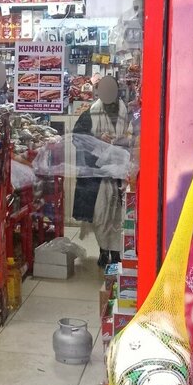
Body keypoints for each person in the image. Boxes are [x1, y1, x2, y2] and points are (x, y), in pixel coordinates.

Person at [72, 74, 130, 267]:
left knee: (119, 217)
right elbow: (77, 139)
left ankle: (117, 253)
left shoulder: (126, 112)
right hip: (99, 177)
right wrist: (97, 141)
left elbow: (135, 138)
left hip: (122, 175)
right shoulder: (89, 114)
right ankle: (104, 251)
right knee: (101, 216)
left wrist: (121, 143)